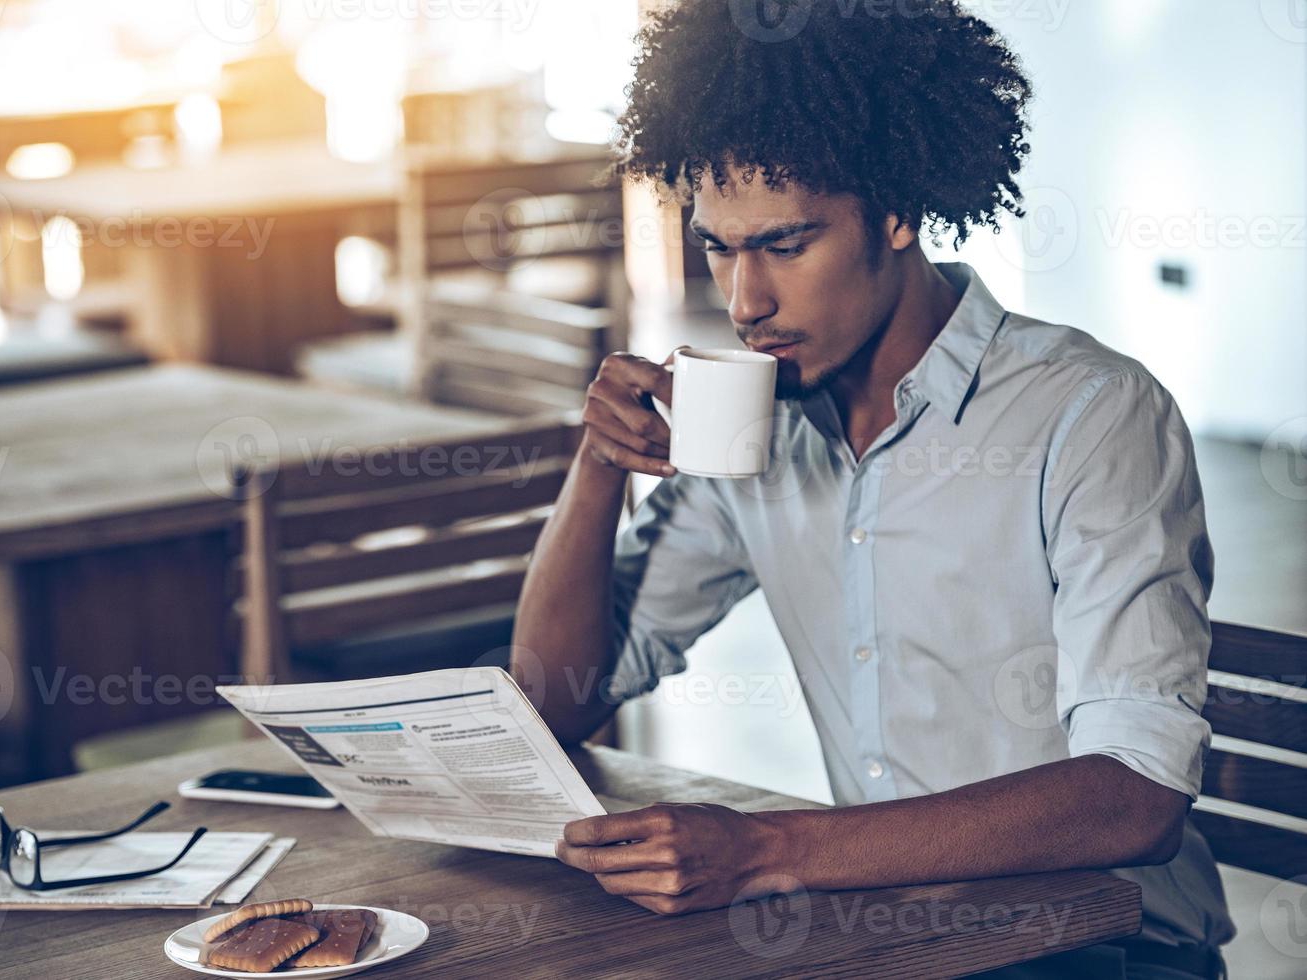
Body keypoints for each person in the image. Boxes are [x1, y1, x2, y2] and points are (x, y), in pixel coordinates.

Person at [510, 2, 1235, 977]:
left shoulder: (1090, 413)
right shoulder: (754, 425)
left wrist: (767, 849)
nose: (742, 300)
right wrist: (596, 467)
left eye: (784, 243)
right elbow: (552, 700)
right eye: (719, 246)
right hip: (893, 935)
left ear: (895, 212)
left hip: (1106, 942)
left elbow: (1136, 794)